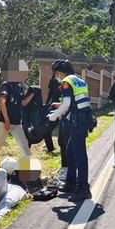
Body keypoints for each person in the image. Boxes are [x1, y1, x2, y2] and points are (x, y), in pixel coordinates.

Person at [47, 59, 93, 201]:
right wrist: (59, 106)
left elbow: (67, 103)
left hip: (77, 122)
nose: (56, 76)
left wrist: (54, 115)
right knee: (70, 153)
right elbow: (74, 102)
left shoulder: (66, 81)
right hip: (83, 120)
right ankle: (71, 183)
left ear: (58, 71)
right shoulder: (79, 80)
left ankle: (84, 188)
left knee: (79, 155)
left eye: (55, 73)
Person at [0, 157, 33, 228]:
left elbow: (34, 190)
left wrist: (27, 195)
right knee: (0, 171)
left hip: (18, 189)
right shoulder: (6, 174)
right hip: (5, 188)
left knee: (7, 201)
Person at [0, 69, 35, 157]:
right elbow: (2, 102)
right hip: (4, 121)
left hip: (16, 122)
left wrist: (33, 93)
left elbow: (24, 102)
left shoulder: (19, 87)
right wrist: (6, 120)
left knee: (24, 144)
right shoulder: (6, 85)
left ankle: (28, 167)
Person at [46, 73, 68, 179]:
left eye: (57, 72)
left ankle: (68, 170)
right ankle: (64, 167)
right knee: (61, 142)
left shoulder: (68, 82)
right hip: (63, 116)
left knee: (66, 144)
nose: (56, 74)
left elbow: (68, 103)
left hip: (68, 119)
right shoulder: (61, 81)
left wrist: (57, 114)